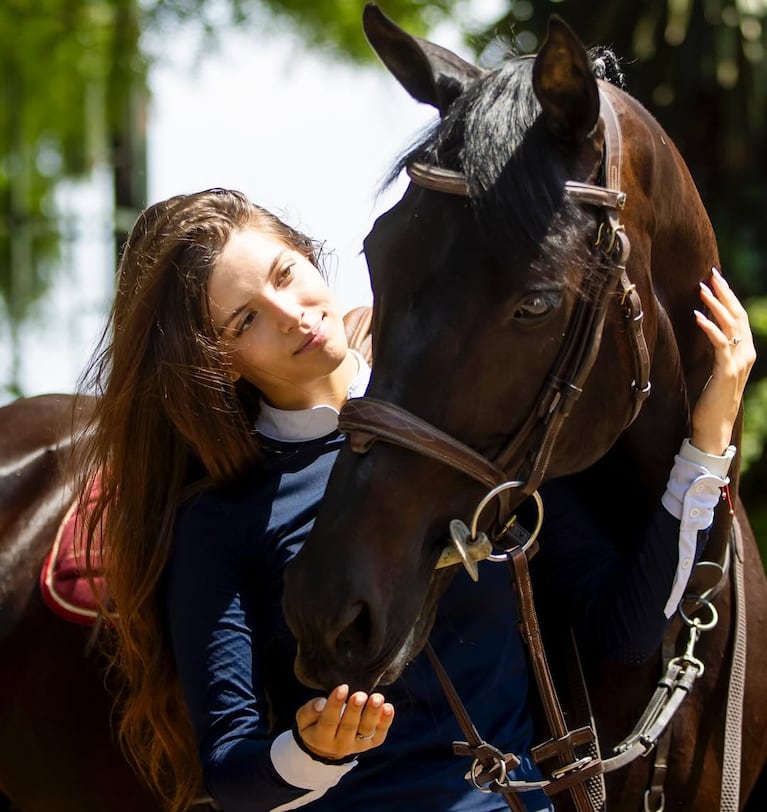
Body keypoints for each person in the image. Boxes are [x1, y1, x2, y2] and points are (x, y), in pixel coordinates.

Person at [74, 188, 755, 812]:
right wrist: (312, 753)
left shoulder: (467, 437)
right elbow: (228, 768)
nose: (291, 315)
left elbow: (626, 631)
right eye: (246, 319)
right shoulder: (223, 520)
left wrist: (708, 440)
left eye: (285, 274)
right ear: (220, 361)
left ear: (308, 257)